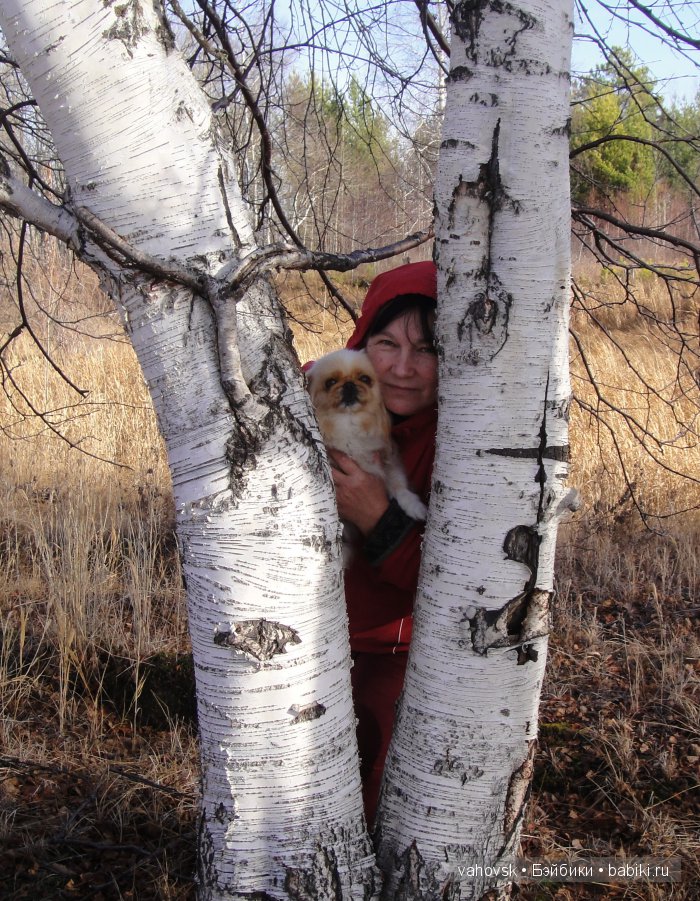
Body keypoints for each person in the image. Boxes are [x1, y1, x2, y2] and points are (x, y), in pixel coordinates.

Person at [329, 260, 438, 824]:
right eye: (386, 342)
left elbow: (460, 584)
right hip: (304, 641)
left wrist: (379, 517)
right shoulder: (315, 402)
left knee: (383, 801)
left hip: (398, 654)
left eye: (426, 350)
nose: (401, 368)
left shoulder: (469, 445)